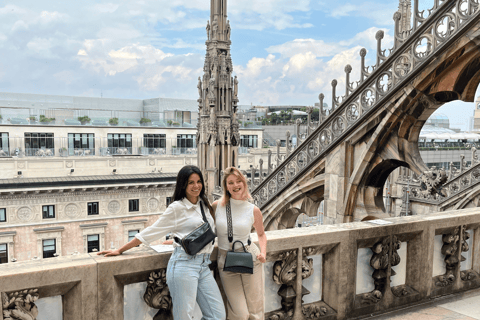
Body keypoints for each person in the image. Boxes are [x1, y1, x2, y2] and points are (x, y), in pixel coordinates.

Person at [97, 165, 226, 320]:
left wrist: (175, 240)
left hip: (203, 266)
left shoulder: (204, 204)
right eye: (191, 182)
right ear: (183, 184)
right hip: (184, 265)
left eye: (199, 181)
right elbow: (152, 231)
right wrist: (120, 249)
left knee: (217, 315)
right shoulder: (177, 208)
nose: (196, 186)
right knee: (183, 317)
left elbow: (200, 231)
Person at [213, 167, 267, 320]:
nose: (235, 185)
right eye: (230, 182)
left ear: (244, 183)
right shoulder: (217, 206)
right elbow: (205, 228)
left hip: (250, 256)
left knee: (255, 309)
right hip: (225, 260)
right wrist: (178, 240)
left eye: (238, 181)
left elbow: (261, 234)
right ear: (226, 186)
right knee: (240, 313)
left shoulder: (253, 210)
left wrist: (262, 252)